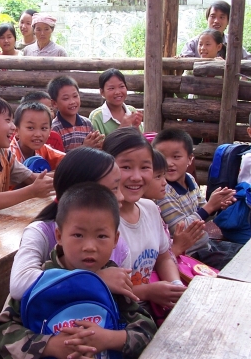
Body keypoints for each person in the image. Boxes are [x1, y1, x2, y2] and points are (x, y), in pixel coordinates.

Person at [0, 182, 157, 359]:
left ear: (116, 240)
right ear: (59, 236)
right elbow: (1, 331)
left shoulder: (114, 279)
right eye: (78, 235)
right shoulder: (41, 281)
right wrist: (49, 345)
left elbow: (147, 331)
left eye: (102, 236)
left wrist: (109, 339)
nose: (90, 247)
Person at [9, 147, 134, 300]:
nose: (121, 197)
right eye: (114, 189)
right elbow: (19, 285)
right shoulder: (42, 232)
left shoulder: (117, 244)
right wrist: (95, 280)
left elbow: (123, 300)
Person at [103, 128, 186, 313]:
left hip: (148, 311)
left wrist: (175, 286)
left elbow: (164, 257)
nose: (136, 177)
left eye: (145, 167)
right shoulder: (99, 221)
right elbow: (96, 284)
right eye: (126, 167)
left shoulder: (150, 209)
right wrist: (147, 292)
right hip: (115, 316)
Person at [152, 129, 242, 270]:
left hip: (205, 244)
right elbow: (179, 229)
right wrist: (209, 207)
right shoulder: (163, 191)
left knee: (245, 252)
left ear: (190, 159)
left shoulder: (190, 179)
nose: (169, 163)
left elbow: (203, 212)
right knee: (238, 266)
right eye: (162, 157)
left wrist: (216, 204)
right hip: (190, 255)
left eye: (176, 157)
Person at [144, 149, 204, 258]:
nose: (164, 182)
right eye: (158, 176)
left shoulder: (152, 208)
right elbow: (153, 260)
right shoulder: (143, 213)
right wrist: (177, 247)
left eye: (164, 175)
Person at [180, 1, 251, 60]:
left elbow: (249, 62)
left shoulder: (233, 43)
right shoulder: (192, 44)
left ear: (228, 21)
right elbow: (184, 66)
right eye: (213, 16)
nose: (216, 21)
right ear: (207, 18)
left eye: (221, 17)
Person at [48, 76, 103, 151]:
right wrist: (84, 148)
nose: (72, 102)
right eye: (66, 98)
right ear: (54, 103)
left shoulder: (87, 124)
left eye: (75, 96)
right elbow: (57, 157)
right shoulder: (55, 128)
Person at [9, 101, 65, 169]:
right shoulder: (9, 155)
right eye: (30, 128)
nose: (38, 134)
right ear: (16, 131)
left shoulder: (44, 150)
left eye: (43, 128)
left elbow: (67, 160)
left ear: (50, 131)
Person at [89, 68, 143, 136]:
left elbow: (141, 140)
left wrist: (136, 127)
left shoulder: (132, 111)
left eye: (121, 86)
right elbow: (98, 143)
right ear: (102, 92)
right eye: (111, 88)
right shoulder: (96, 117)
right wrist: (122, 128)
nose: (117, 92)